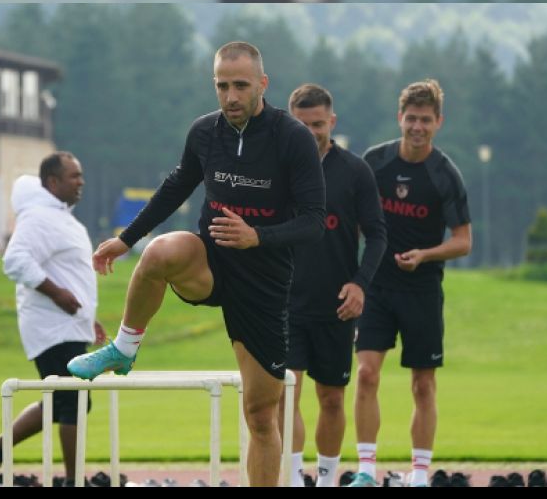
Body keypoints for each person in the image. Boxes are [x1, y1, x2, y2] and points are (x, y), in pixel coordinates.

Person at [68, 41, 326, 486]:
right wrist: (126, 238)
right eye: (222, 86)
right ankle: (124, 349)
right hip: (210, 264)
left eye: (241, 85)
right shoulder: (205, 132)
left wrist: (257, 236)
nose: (230, 96)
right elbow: (176, 186)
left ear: (262, 84)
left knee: (261, 416)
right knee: (160, 254)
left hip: (264, 282)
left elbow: (314, 222)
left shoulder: (293, 138)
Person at [347, 79, 472, 488]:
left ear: (439, 122)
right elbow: (353, 219)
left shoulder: (444, 174)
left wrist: (425, 255)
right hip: (377, 287)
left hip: (421, 290)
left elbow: (463, 241)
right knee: (366, 375)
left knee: (423, 383)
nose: (417, 126)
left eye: (426, 120)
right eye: (411, 118)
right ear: (400, 118)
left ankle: (419, 474)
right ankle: (366, 470)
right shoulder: (375, 161)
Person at [0, 152, 106, 484]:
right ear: (52, 182)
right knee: (73, 401)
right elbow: (14, 260)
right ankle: (76, 481)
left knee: (62, 400)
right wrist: (56, 293)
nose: (81, 182)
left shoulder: (61, 218)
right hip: (52, 327)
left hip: (69, 326)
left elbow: (70, 274)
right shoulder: (38, 217)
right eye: (74, 176)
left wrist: (88, 318)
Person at [282, 84, 386, 487]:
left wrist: (360, 285)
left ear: (333, 122)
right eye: (302, 125)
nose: (311, 133)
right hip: (287, 301)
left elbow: (377, 235)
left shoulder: (355, 171)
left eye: (319, 125)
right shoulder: (278, 170)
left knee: (331, 397)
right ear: (291, 122)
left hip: (337, 306)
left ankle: (326, 481)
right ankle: (292, 480)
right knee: (287, 394)